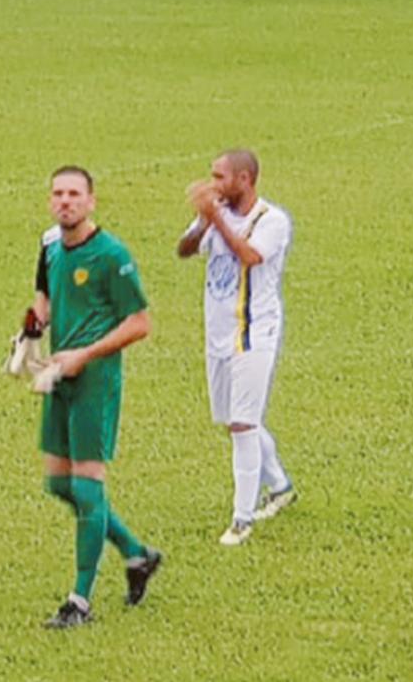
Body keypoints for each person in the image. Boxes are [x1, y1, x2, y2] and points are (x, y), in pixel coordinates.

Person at [30, 166, 162, 629]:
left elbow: (140, 323)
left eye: (74, 194)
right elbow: (44, 297)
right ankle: (136, 553)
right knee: (58, 484)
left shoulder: (111, 255)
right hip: (58, 375)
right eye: (58, 194)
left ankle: (79, 601)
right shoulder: (50, 247)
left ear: (91, 201)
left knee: (87, 485)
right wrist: (30, 331)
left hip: (94, 379)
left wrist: (86, 353)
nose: (65, 201)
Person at [176, 150, 297, 546]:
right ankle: (280, 485)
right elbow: (185, 250)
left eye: (220, 177)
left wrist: (216, 220)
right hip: (218, 333)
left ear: (245, 179)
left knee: (244, 424)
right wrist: (202, 223)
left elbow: (249, 256)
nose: (213, 184)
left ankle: (242, 518)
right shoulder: (217, 212)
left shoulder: (272, 221)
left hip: (253, 334)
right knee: (234, 420)